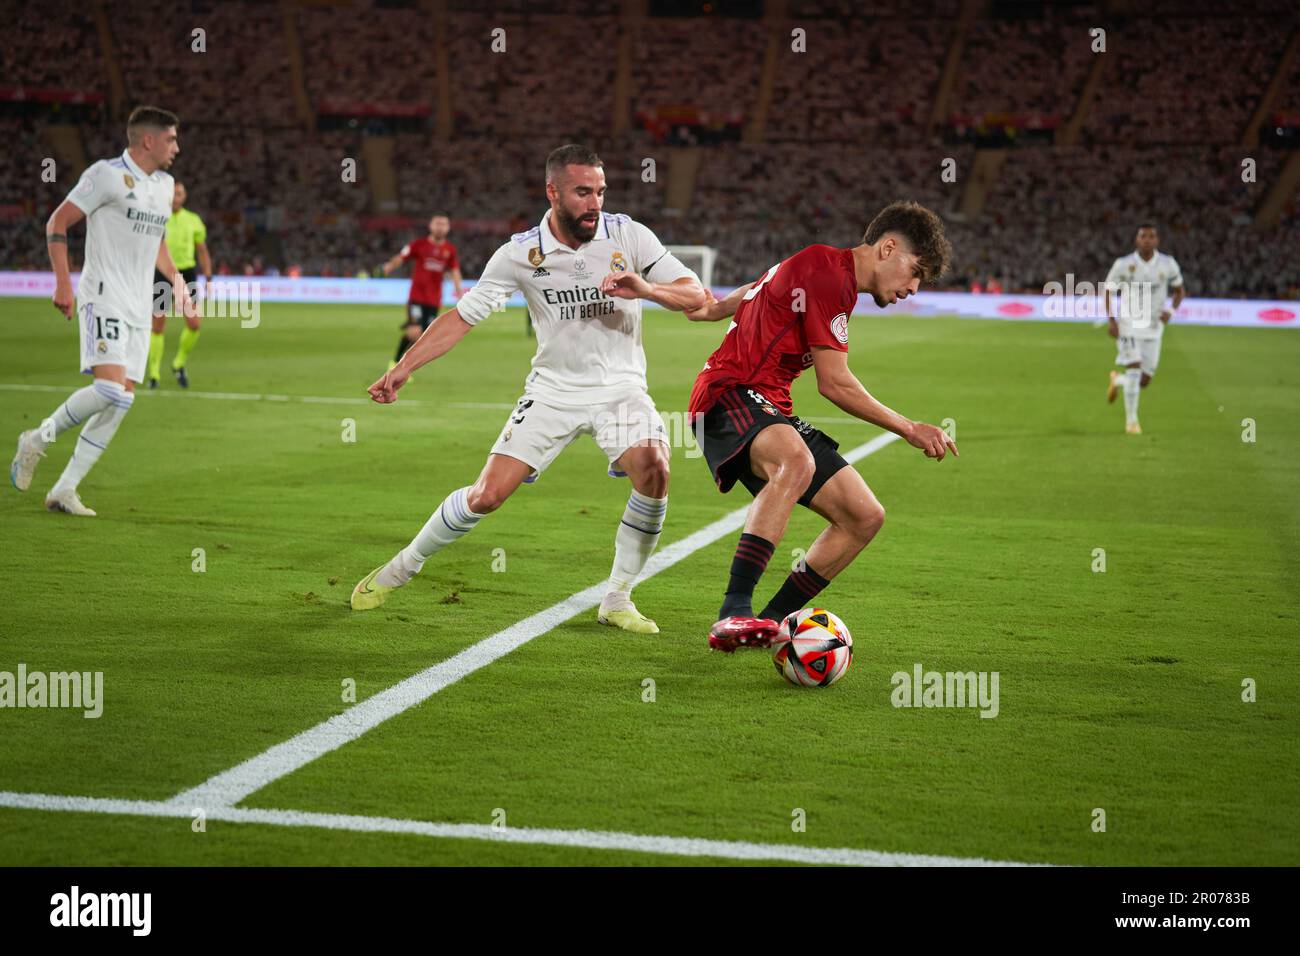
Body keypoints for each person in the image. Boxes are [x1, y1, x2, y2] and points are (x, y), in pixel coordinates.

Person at [350, 145, 706, 634]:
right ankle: (403, 566)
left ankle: (618, 597)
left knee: (656, 469)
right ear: (552, 191)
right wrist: (404, 367)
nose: (595, 202)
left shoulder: (630, 235)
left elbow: (694, 295)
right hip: (553, 390)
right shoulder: (520, 253)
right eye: (583, 192)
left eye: (600, 191)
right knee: (486, 497)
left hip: (620, 389)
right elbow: (462, 317)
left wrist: (646, 290)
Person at [684, 200, 959, 651]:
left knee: (864, 516)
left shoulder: (823, 271)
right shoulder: (827, 271)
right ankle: (734, 610)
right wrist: (909, 427)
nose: (915, 287)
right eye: (916, 272)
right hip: (728, 393)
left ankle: (770, 626)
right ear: (888, 248)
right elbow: (835, 384)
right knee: (796, 462)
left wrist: (709, 309)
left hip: (770, 404)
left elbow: (745, 294)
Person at [10, 106, 194, 516]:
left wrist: (178, 283)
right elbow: (58, 222)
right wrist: (63, 282)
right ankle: (36, 440)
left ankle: (64, 489)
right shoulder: (105, 175)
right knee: (109, 390)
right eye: (171, 139)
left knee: (123, 400)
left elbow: (158, 242)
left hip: (138, 304)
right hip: (103, 295)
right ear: (147, 140)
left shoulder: (164, 186)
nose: (177, 148)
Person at [1103, 224, 1184, 435]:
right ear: (1136, 240)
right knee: (1134, 368)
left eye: (1151, 236)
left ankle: (1118, 380)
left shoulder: (1168, 264)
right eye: (1143, 236)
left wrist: (1171, 311)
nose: (1147, 240)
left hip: (1153, 327)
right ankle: (1132, 422)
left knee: (1144, 380)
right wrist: (1112, 320)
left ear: (1157, 241)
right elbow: (1108, 291)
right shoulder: (1123, 264)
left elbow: (1179, 290)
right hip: (1128, 325)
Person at [147, 180, 211, 388]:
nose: (176, 197)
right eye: (173, 193)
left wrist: (208, 277)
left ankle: (179, 363)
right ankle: (154, 374)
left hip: (187, 272)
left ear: (184, 197)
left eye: (180, 193)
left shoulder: (193, 220)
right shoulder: (158, 218)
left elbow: (202, 250)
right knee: (157, 325)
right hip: (163, 273)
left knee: (194, 323)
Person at [378, 213, 463, 366]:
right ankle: (396, 364)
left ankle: (404, 366)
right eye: (437, 223)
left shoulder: (450, 250)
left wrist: (459, 292)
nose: (440, 227)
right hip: (416, 297)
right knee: (414, 332)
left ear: (448, 228)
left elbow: (454, 270)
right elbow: (402, 257)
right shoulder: (419, 244)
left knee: (422, 337)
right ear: (430, 226)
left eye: (443, 224)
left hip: (434, 300)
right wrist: (389, 266)